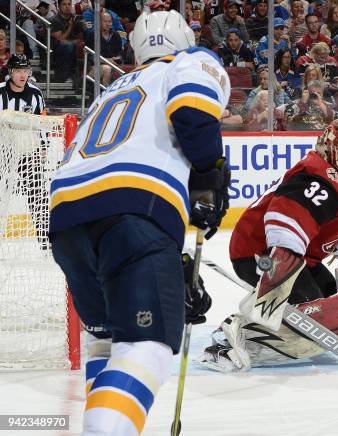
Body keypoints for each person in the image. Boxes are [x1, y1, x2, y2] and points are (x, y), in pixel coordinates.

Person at [49, 11, 230, 435]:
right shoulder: (189, 61)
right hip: (132, 209)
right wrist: (210, 171)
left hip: (67, 217)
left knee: (106, 342)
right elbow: (193, 110)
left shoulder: (112, 88)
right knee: (146, 348)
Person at [201, 118, 338, 371]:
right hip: (258, 254)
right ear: (331, 150)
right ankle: (227, 339)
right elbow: (285, 216)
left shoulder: (335, 180)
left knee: (329, 301)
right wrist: (282, 268)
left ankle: (273, 327)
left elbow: (316, 227)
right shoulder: (319, 177)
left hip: (297, 257)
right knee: (309, 308)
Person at [0, 55, 48, 247]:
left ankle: (45, 237)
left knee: (37, 191)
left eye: (25, 71)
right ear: (10, 72)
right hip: (3, 147)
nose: (22, 75)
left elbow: (42, 122)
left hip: (28, 147)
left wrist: (43, 147)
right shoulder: (0, 93)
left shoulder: (35, 94)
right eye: (18, 71)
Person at [49, 0, 84, 83]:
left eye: (69, 4)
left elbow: (81, 38)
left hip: (73, 47)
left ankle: (84, 77)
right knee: (68, 45)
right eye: (64, 4)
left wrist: (79, 25)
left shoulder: (75, 18)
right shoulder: (54, 20)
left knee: (85, 45)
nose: (67, 6)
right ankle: (66, 76)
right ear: (59, 6)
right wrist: (70, 26)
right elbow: (60, 39)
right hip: (57, 50)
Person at [85, 12, 122, 86]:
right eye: (105, 21)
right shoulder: (92, 36)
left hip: (114, 66)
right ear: (99, 22)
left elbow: (120, 53)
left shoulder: (116, 35)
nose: (108, 24)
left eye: (110, 21)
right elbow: (91, 57)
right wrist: (108, 61)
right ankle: (105, 95)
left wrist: (118, 58)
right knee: (107, 68)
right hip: (95, 68)